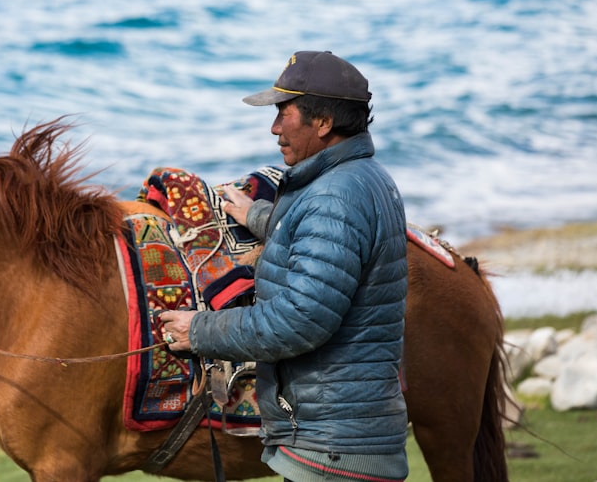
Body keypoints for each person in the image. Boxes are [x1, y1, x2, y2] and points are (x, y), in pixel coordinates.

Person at [159, 50, 409, 482]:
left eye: (283, 112)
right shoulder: (364, 177)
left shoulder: (334, 198)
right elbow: (329, 242)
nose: (274, 128)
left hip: (330, 450)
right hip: (344, 437)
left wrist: (198, 331)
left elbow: (301, 319)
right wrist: (260, 217)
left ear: (324, 122)